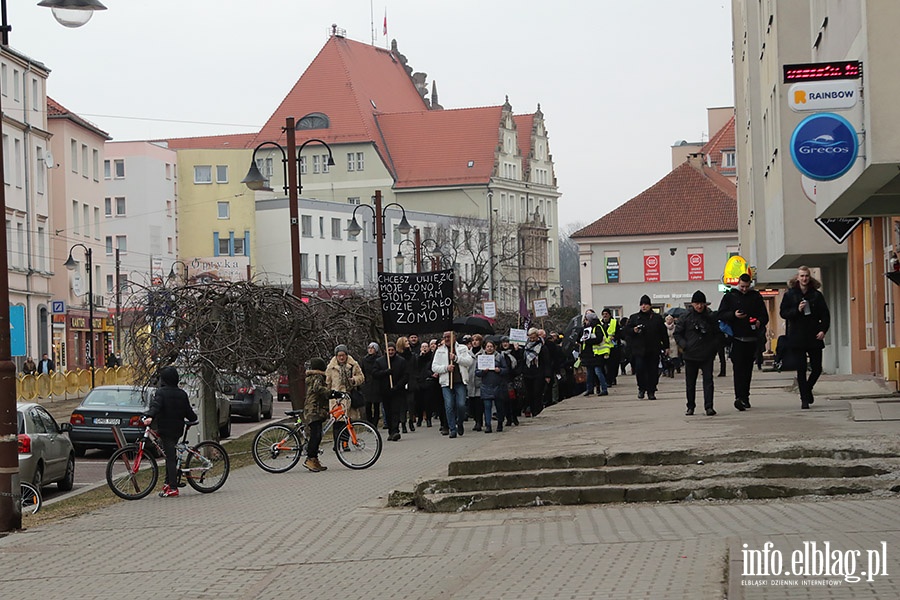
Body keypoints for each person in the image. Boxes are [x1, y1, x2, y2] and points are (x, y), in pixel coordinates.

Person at [142, 366, 198, 497]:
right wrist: (193, 418)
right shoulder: (182, 393)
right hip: (177, 429)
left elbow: (156, 406)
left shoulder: (161, 392)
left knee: (170, 457)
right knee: (169, 455)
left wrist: (149, 416)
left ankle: (173, 487)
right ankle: (168, 482)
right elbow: (190, 414)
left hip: (166, 429)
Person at [780, 266, 831, 409]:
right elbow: (783, 313)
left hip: (814, 335)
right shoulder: (790, 295)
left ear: (810, 278)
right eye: (802, 276)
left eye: (806, 276)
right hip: (797, 336)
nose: (804, 279)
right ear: (797, 277)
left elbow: (825, 315)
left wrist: (823, 330)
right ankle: (804, 399)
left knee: (816, 368)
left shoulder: (816, 295)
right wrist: (797, 309)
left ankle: (807, 389)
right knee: (801, 369)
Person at [717, 273, 769, 411]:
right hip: (736, 338)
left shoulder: (756, 296)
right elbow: (720, 314)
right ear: (738, 283)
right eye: (742, 286)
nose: (744, 289)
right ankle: (739, 397)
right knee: (738, 369)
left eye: (747, 286)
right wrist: (733, 315)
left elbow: (765, 316)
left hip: (752, 338)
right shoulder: (730, 296)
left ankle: (745, 396)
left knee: (748, 370)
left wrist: (759, 321)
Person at [674, 291, 720, 416]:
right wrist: (684, 345)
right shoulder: (686, 317)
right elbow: (677, 333)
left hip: (707, 354)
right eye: (697, 303)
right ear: (692, 304)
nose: (699, 306)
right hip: (690, 355)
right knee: (690, 383)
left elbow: (717, 334)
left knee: (708, 381)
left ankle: (709, 406)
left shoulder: (710, 317)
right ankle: (690, 406)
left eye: (701, 303)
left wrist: (713, 348)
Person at [431, 331, 474, 438]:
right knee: (449, 406)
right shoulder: (440, 351)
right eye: (444, 337)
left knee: (461, 405)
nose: (446, 339)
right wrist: (446, 368)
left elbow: (469, 362)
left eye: (448, 337)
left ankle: (459, 422)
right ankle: (452, 429)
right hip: (446, 383)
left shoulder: (462, 348)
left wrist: (456, 359)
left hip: (460, 381)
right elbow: (434, 367)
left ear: (454, 337)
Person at [625, 295, 667, 400]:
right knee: (640, 370)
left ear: (650, 305)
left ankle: (651, 390)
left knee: (653, 371)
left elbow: (663, 333)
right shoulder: (634, 318)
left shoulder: (656, 318)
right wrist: (633, 330)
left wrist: (666, 346)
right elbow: (626, 331)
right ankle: (641, 388)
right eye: (642, 304)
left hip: (653, 349)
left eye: (646, 304)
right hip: (639, 350)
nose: (644, 307)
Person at [325, 344, 365, 446]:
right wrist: (328, 394)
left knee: (348, 421)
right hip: (336, 398)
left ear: (346, 355)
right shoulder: (331, 367)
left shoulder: (353, 365)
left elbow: (361, 377)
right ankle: (336, 444)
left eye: (343, 355)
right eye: (339, 355)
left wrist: (354, 380)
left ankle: (345, 443)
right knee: (337, 421)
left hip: (349, 397)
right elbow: (327, 382)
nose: (341, 357)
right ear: (336, 356)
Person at [374, 342, 409, 441]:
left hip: (397, 391)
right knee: (388, 411)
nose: (390, 352)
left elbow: (405, 375)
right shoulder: (379, 361)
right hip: (385, 391)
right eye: (388, 350)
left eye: (392, 350)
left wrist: (398, 386)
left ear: (395, 350)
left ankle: (395, 431)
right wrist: (385, 372)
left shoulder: (401, 361)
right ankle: (390, 430)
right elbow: (375, 374)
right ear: (385, 350)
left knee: (395, 411)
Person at [302, 357, 331, 472]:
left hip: (316, 409)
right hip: (313, 409)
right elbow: (318, 389)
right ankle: (310, 459)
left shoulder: (315, 376)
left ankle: (315, 459)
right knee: (315, 435)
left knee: (318, 434)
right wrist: (331, 393)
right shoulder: (317, 377)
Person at [475, 340, 510, 433]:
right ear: (485, 348)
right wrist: (483, 372)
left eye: (491, 346)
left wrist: (500, 370)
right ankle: (488, 425)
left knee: (499, 406)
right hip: (486, 386)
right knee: (487, 406)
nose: (489, 348)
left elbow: (506, 369)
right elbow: (477, 372)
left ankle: (500, 423)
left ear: (494, 348)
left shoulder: (499, 357)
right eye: (487, 346)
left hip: (498, 386)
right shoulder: (481, 358)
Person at [522, 327, 552, 416]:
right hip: (528, 373)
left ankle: (537, 411)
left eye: (533, 338)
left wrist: (547, 375)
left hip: (539, 373)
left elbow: (547, 362)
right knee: (529, 394)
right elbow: (522, 359)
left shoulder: (542, 347)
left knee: (537, 393)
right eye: (530, 338)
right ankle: (531, 409)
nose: (532, 340)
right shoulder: (526, 347)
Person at [579, 312, 609, 397]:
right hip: (588, 354)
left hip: (596, 353)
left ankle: (604, 388)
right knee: (589, 372)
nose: (585, 321)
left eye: (586, 319)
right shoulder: (586, 328)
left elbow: (599, 339)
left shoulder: (597, 327)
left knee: (598, 371)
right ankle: (590, 389)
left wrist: (588, 340)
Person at [499, 336, 521, 427]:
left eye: (507, 342)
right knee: (505, 401)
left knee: (513, 400)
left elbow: (519, 362)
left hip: (512, 379)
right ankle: (508, 418)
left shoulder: (514, 353)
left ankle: (514, 417)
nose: (505, 344)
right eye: (503, 342)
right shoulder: (499, 354)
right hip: (503, 379)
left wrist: (516, 350)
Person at [360, 342, 382, 427]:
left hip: (377, 384)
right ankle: (369, 423)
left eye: (372, 348)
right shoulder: (364, 360)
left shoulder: (379, 359)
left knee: (376, 405)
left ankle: (375, 423)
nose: (370, 349)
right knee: (367, 406)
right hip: (368, 385)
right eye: (369, 348)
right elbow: (362, 371)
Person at [466, 334, 484, 431]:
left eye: (477, 340)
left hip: (480, 382)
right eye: (473, 340)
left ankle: (479, 422)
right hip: (469, 382)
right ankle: (475, 420)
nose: (474, 342)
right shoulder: (467, 354)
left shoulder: (484, 354)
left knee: (479, 404)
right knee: (472, 405)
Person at [599, 309, 620, 386]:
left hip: (612, 347)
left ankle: (611, 379)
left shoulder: (614, 322)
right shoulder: (600, 323)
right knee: (604, 365)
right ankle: (607, 380)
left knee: (612, 365)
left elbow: (619, 333)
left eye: (606, 314)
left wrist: (614, 337)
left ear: (609, 315)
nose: (605, 315)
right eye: (603, 314)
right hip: (603, 347)